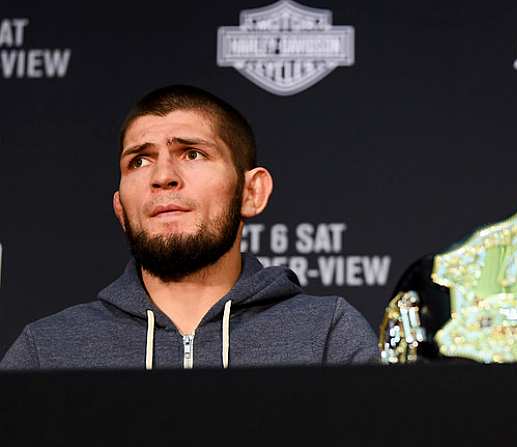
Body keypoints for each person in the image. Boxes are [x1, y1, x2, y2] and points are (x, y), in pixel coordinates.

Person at [0, 85, 379, 369]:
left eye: (192, 153)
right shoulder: (47, 351)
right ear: (120, 206)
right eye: (140, 161)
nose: (163, 176)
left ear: (251, 192)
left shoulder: (327, 335)